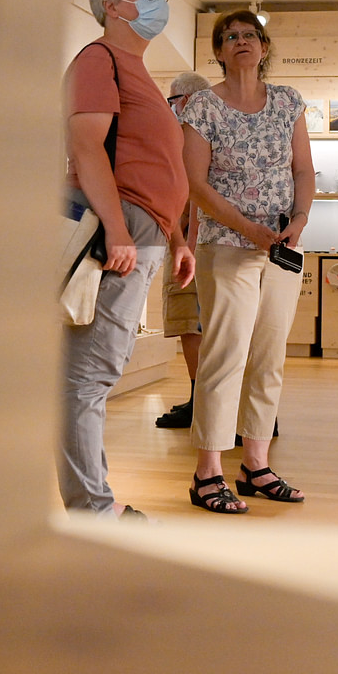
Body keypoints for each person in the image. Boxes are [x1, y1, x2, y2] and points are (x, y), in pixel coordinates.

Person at [59, 0, 195, 520]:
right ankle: (92, 509)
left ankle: (94, 503)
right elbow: (87, 147)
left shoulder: (137, 71)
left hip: (145, 230)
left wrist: (178, 238)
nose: (159, 0)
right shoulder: (99, 60)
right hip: (121, 229)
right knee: (89, 374)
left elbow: (158, 164)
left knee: (95, 371)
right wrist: (118, 230)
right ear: (111, 5)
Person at [178, 9, 314, 514]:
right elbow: (195, 184)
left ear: (264, 46)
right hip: (226, 247)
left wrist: (299, 219)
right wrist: (246, 228)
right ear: (218, 51)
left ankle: (256, 465)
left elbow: (304, 170)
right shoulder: (202, 106)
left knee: (269, 354)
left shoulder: (288, 102)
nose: (241, 41)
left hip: (281, 248)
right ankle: (207, 473)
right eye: (230, 36)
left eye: (250, 35)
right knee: (225, 355)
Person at [154, 70, 211, 429]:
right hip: (197, 240)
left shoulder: (191, 134)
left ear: (185, 100)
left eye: (172, 100)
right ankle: (201, 400)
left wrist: (186, 242)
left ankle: (201, 404)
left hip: (192, 242)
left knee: (192, 322)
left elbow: (193, 192)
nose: (170, 107)